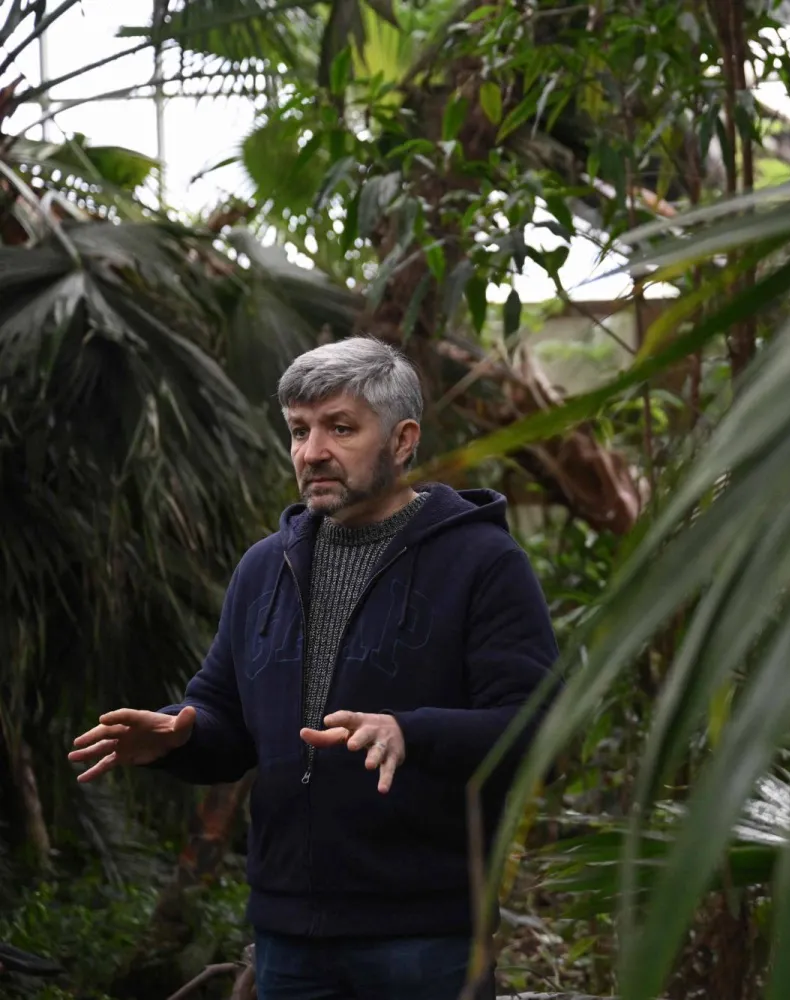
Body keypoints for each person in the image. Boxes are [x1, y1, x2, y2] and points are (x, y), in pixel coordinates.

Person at [68, 337, 559, 999]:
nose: (312, 451)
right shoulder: (264, 568)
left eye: (341, 427)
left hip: (424, 936)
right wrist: (177, 735)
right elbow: (226, 719)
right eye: (299, 430)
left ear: (403, 439)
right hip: (287, 938)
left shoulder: (483, 565)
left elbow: (537, 732)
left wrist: (409, 733)